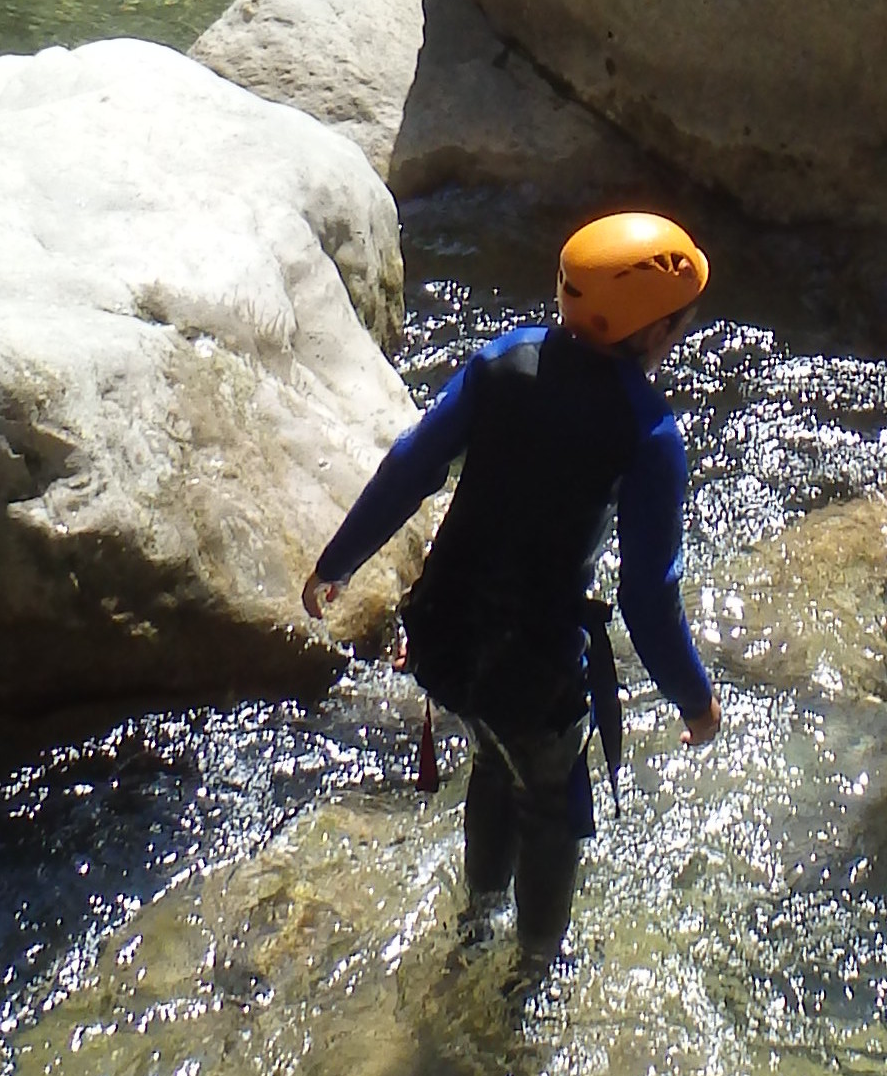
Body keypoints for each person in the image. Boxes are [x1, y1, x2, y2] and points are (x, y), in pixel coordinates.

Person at [299, 210, 722, 964]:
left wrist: (338, 563)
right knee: (550, 807)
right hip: (532, 663)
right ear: (656, 334)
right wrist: (694, 696)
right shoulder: (649, 432)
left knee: (495, 762)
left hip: (445, 634)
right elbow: (647, 598)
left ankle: (476, 923)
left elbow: (412, 464)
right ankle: (534, 973)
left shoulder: (504, 360)